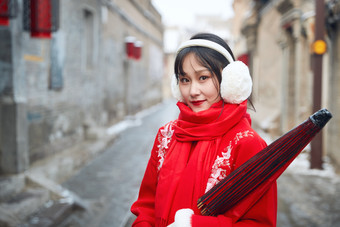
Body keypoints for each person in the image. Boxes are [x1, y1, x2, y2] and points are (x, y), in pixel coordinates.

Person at [130, 33, 277, 227]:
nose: (192, 91)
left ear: (229, 82)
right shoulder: (166, 135)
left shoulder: (247, 143)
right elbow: (146, 206)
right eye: (184, 80)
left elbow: (259, 222)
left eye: (203, 77)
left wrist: (196, 224)